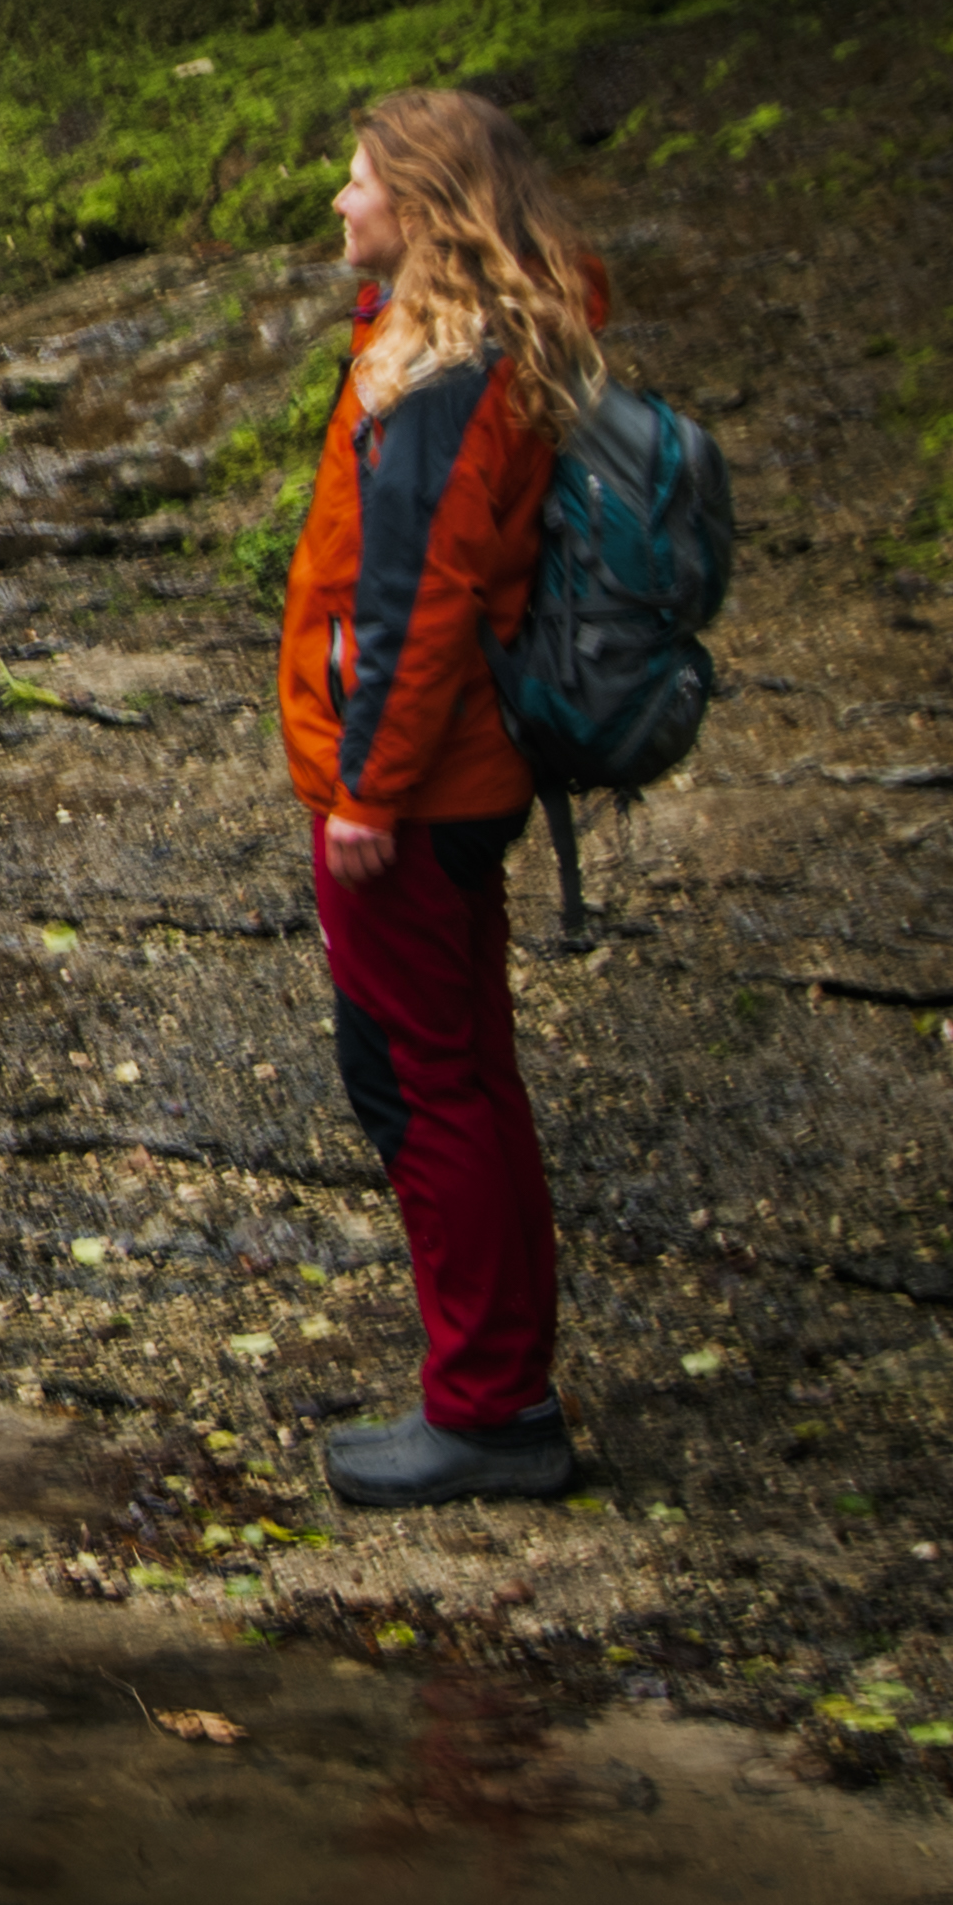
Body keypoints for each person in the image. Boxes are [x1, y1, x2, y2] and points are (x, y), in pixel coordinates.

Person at [278, 85, 614, 1506]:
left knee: (417, 1078)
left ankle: (484, 1407)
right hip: (454, 769)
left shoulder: (443, 368)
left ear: (417, 206)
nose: (339, 205)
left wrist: (365, 791)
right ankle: (499, 1388)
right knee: (458, 1067)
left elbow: (417, 601)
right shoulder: (475, 337)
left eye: (357, 182)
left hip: (415, 786)